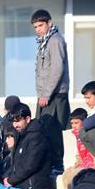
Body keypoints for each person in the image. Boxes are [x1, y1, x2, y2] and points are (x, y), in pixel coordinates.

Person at [31, 9, 70, 174]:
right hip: (45, 94)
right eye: (35, 27)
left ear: (49, 23)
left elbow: (57, 69)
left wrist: (46, 93)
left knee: (52, 130)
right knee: (42, 129)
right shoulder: (43, 42)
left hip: (54, 94)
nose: (38, 29)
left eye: (41, 25)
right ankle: (49, 163)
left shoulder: (55, 40)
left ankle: (57, 165)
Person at [4, 103, 51, 189]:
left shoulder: (37, 136)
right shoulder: (22, 135)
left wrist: (11, 180)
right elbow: (16, 163)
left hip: (33, 188)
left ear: (27, 119)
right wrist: (6, 177)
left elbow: (30, 165)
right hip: (21, 186)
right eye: (13, 121)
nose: (15, 125)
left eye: (17, 121)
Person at [61, 108, 95, 189]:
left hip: (91, 164)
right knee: (66, 174)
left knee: (74, 176)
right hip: (82, 163)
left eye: (76, 123)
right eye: (72, 123)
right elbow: (79, 153)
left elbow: (94, 151)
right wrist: (77, 163)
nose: (73, 126)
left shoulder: (89, 134)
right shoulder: (78, 135)